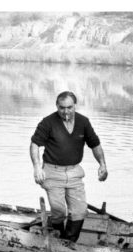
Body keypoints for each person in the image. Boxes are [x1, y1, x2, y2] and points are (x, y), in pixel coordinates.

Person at [30, 91, 108, 243]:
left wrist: (102, 164)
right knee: (59, 212)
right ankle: (59, 239)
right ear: (57, 106)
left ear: (75, 106)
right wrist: (37, 167)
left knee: (79, 211)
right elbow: (34, 145)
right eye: (62, 108)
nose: (66, 111)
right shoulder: (48, 122)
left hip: (74, 172)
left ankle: (68, 243)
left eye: (69, 107)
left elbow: (95, 144)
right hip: (52, 172)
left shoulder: (83, 122)